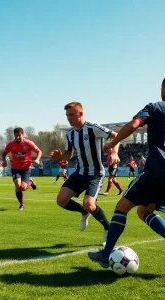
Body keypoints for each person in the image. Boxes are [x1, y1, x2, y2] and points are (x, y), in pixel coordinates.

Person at [88, 74, 165, 269]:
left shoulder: (155, 107)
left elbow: (133, 125)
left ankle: (106, 255)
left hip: (158, 169)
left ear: (164, 89)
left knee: (122, 206)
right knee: (143, 210)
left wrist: (113, 143)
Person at [50, 102, 120, 246]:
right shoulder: (69, 133)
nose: (68, 118)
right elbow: (68, 155)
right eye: (67, 115)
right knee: (61, 201)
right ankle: (84, 212)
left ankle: (108, 228)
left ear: (80, 114)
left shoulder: (93, 128)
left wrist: (114, 151)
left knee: (89, 203)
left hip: (95, 174)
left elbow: (116, 136)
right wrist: (60, 156)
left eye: (71, 115)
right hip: (80, 172)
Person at [2, 127, 42, 210]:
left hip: (26, 168)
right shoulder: (10, 144)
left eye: (19, 135)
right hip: (15, 168)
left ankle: (30, 182)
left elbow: (39, 151)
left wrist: (37, 159)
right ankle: (21, 204)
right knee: (17, 185)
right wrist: (4, 161)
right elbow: (4, 153)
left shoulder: (28, 143)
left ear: (23, 135)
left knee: (23, 188)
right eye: (16, 136)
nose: (17, 137)